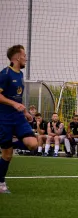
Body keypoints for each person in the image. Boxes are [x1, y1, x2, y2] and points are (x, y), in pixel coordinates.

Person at [0, 45, 38, 194]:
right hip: (4, 119)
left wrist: (25, 112)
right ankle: (1, 183)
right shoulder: (5, 74)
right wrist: (14, 104)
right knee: (7, 155)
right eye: (24, 55)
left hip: (18, 117)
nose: (26, 58)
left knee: (33, 144)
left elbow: (17, 97)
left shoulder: (20, 74)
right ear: (16, 57)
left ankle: (10, 143)